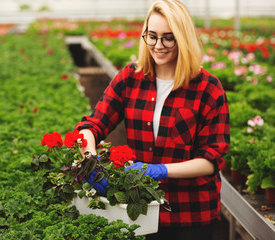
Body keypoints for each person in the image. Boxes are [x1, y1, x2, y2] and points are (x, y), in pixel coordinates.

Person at [74, 0, 230, 239]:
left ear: (184, 38)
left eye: (168, 37)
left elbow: (211, 158)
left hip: (190, 213)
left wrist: (160, 170)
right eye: (152, 36)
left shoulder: (208, 88)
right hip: (142, 210)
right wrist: (90, 162)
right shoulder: (131, 78)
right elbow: (91, 126)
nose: (158, 45)